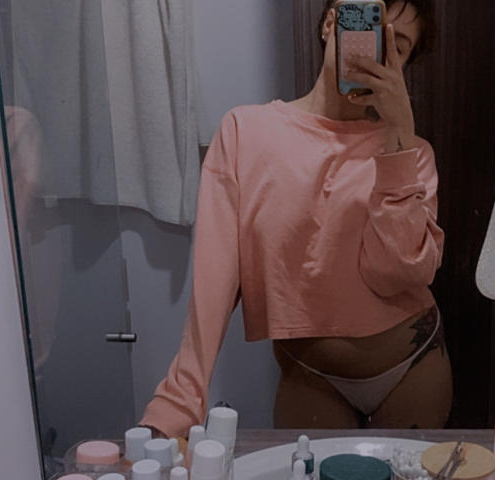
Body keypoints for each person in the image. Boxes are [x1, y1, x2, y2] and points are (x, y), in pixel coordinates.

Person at [141, 0, 452, 437]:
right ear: (330, 23)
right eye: (368, 28)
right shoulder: (245, 134)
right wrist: (178, 404)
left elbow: (397, 273)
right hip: (310, 376)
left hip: (412, 367)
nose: (378, 50)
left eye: (397, 45)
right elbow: (214, 283)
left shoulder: (413, 154)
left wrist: (399, 135)